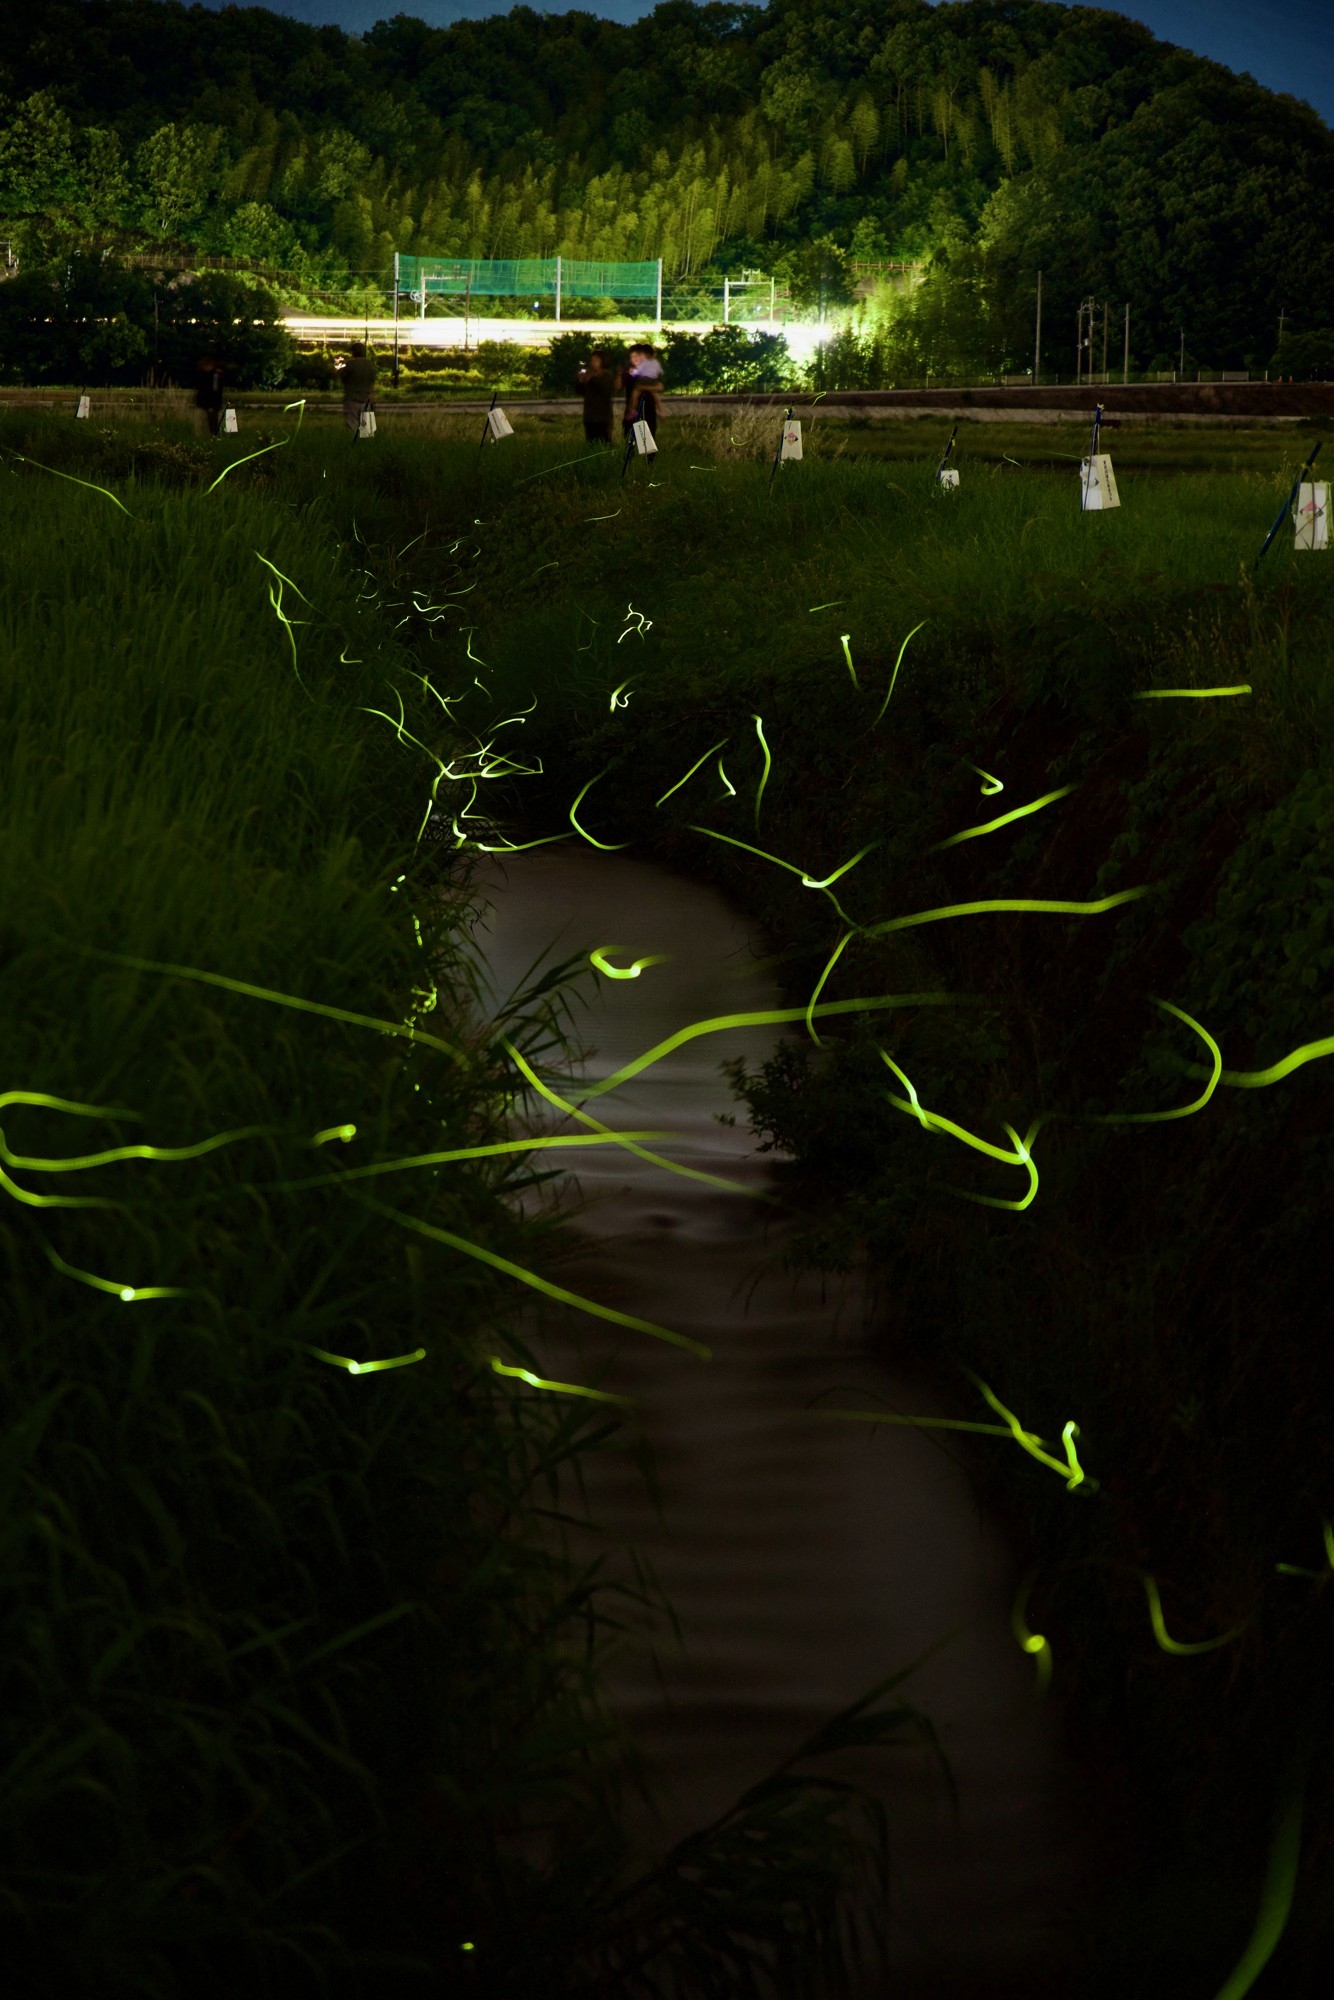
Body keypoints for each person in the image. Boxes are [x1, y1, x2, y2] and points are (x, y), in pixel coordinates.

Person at [621, 341, 664, 441]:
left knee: (646, 447)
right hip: (632, 417)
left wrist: (642, 387)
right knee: (629, 445)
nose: (636, 359)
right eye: (632, 356)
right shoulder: (629, 372)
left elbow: (660, 387)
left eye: (638, 355)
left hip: (647, 415)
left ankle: (661, 412)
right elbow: (618, 387)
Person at [338, 341, 378, 435]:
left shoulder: (350, 364)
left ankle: (353, 447)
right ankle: (366, 447)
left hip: (351, 399)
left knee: (352, 427)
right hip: (366, 399)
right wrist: (373, 398)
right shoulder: (370, 365)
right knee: (367, 431)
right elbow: (372, 383)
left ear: (353, 352)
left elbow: (343, 379)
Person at [576, 347, 614, 443]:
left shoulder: (607, 375)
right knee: (591, 442)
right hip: (590, 416)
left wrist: (592, 378)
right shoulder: (589, 375)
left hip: (602, 417)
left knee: (604, 442)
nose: (593, 363)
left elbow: (604, 390)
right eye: (592, 360)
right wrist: (581, 381)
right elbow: (582, 392)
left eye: (596, 360)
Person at [194, 353, 224, 437]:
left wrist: (212, 405)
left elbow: (215, 391)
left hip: (211, 403)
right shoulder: (202, 375)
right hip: (203, 403)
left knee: (211, 422)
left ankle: (213, 435)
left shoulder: (215, 376)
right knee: (202, 425)